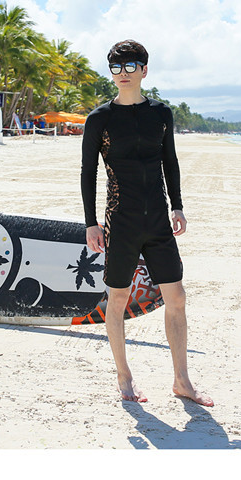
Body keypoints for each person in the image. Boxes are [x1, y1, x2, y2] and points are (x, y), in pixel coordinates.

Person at [81, 40, 212, 407]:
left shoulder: (160, 114)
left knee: (177, 297)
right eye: (116, 67)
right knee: (118, 298)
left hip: (157, 219)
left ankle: (182, 380)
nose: (123, 73)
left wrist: (178, 206)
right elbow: (88, 172)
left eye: (130, 66)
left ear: (144, 70)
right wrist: (91, 223)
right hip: (120, 219)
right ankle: (124, 376)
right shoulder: (100, 119)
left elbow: (170, 162)